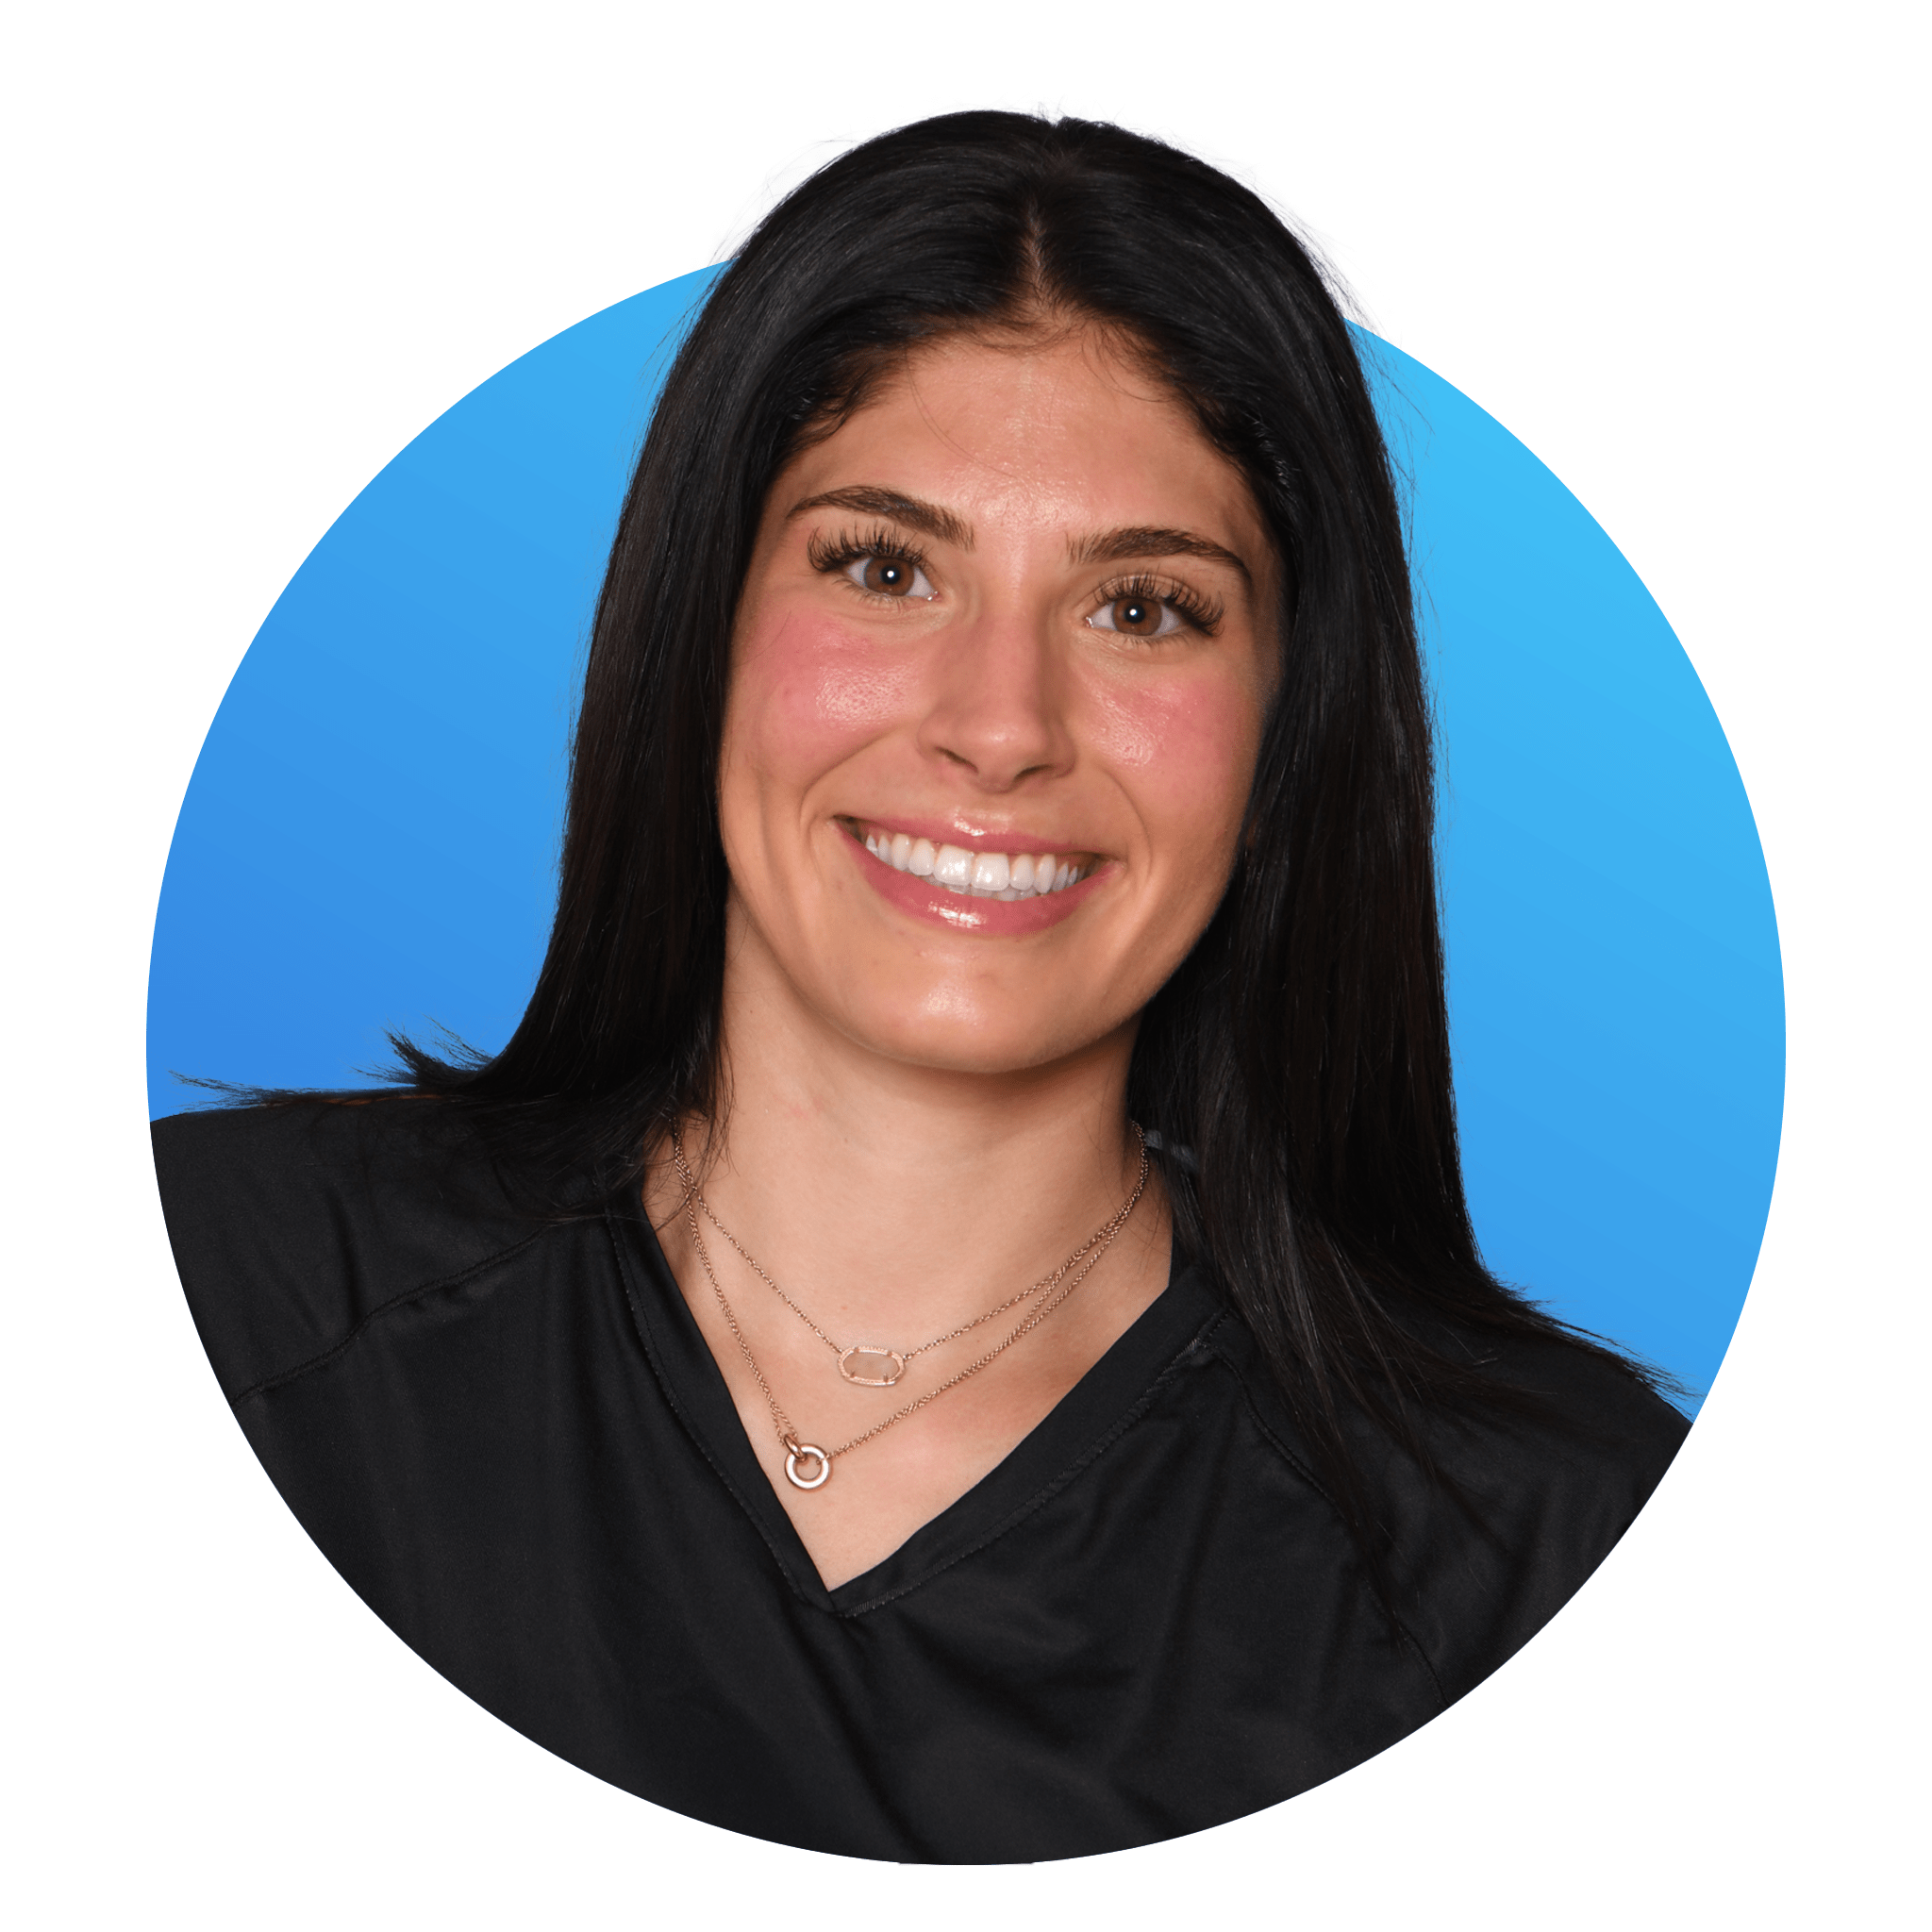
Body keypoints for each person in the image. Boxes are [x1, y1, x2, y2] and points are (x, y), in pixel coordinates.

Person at [150, 103, 1690, 1864]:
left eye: (1146, 609)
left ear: (1291, 729)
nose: (1001, 728)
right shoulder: (244, 1301)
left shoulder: (1536, 1547)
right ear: (700, 625)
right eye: (884, 567)